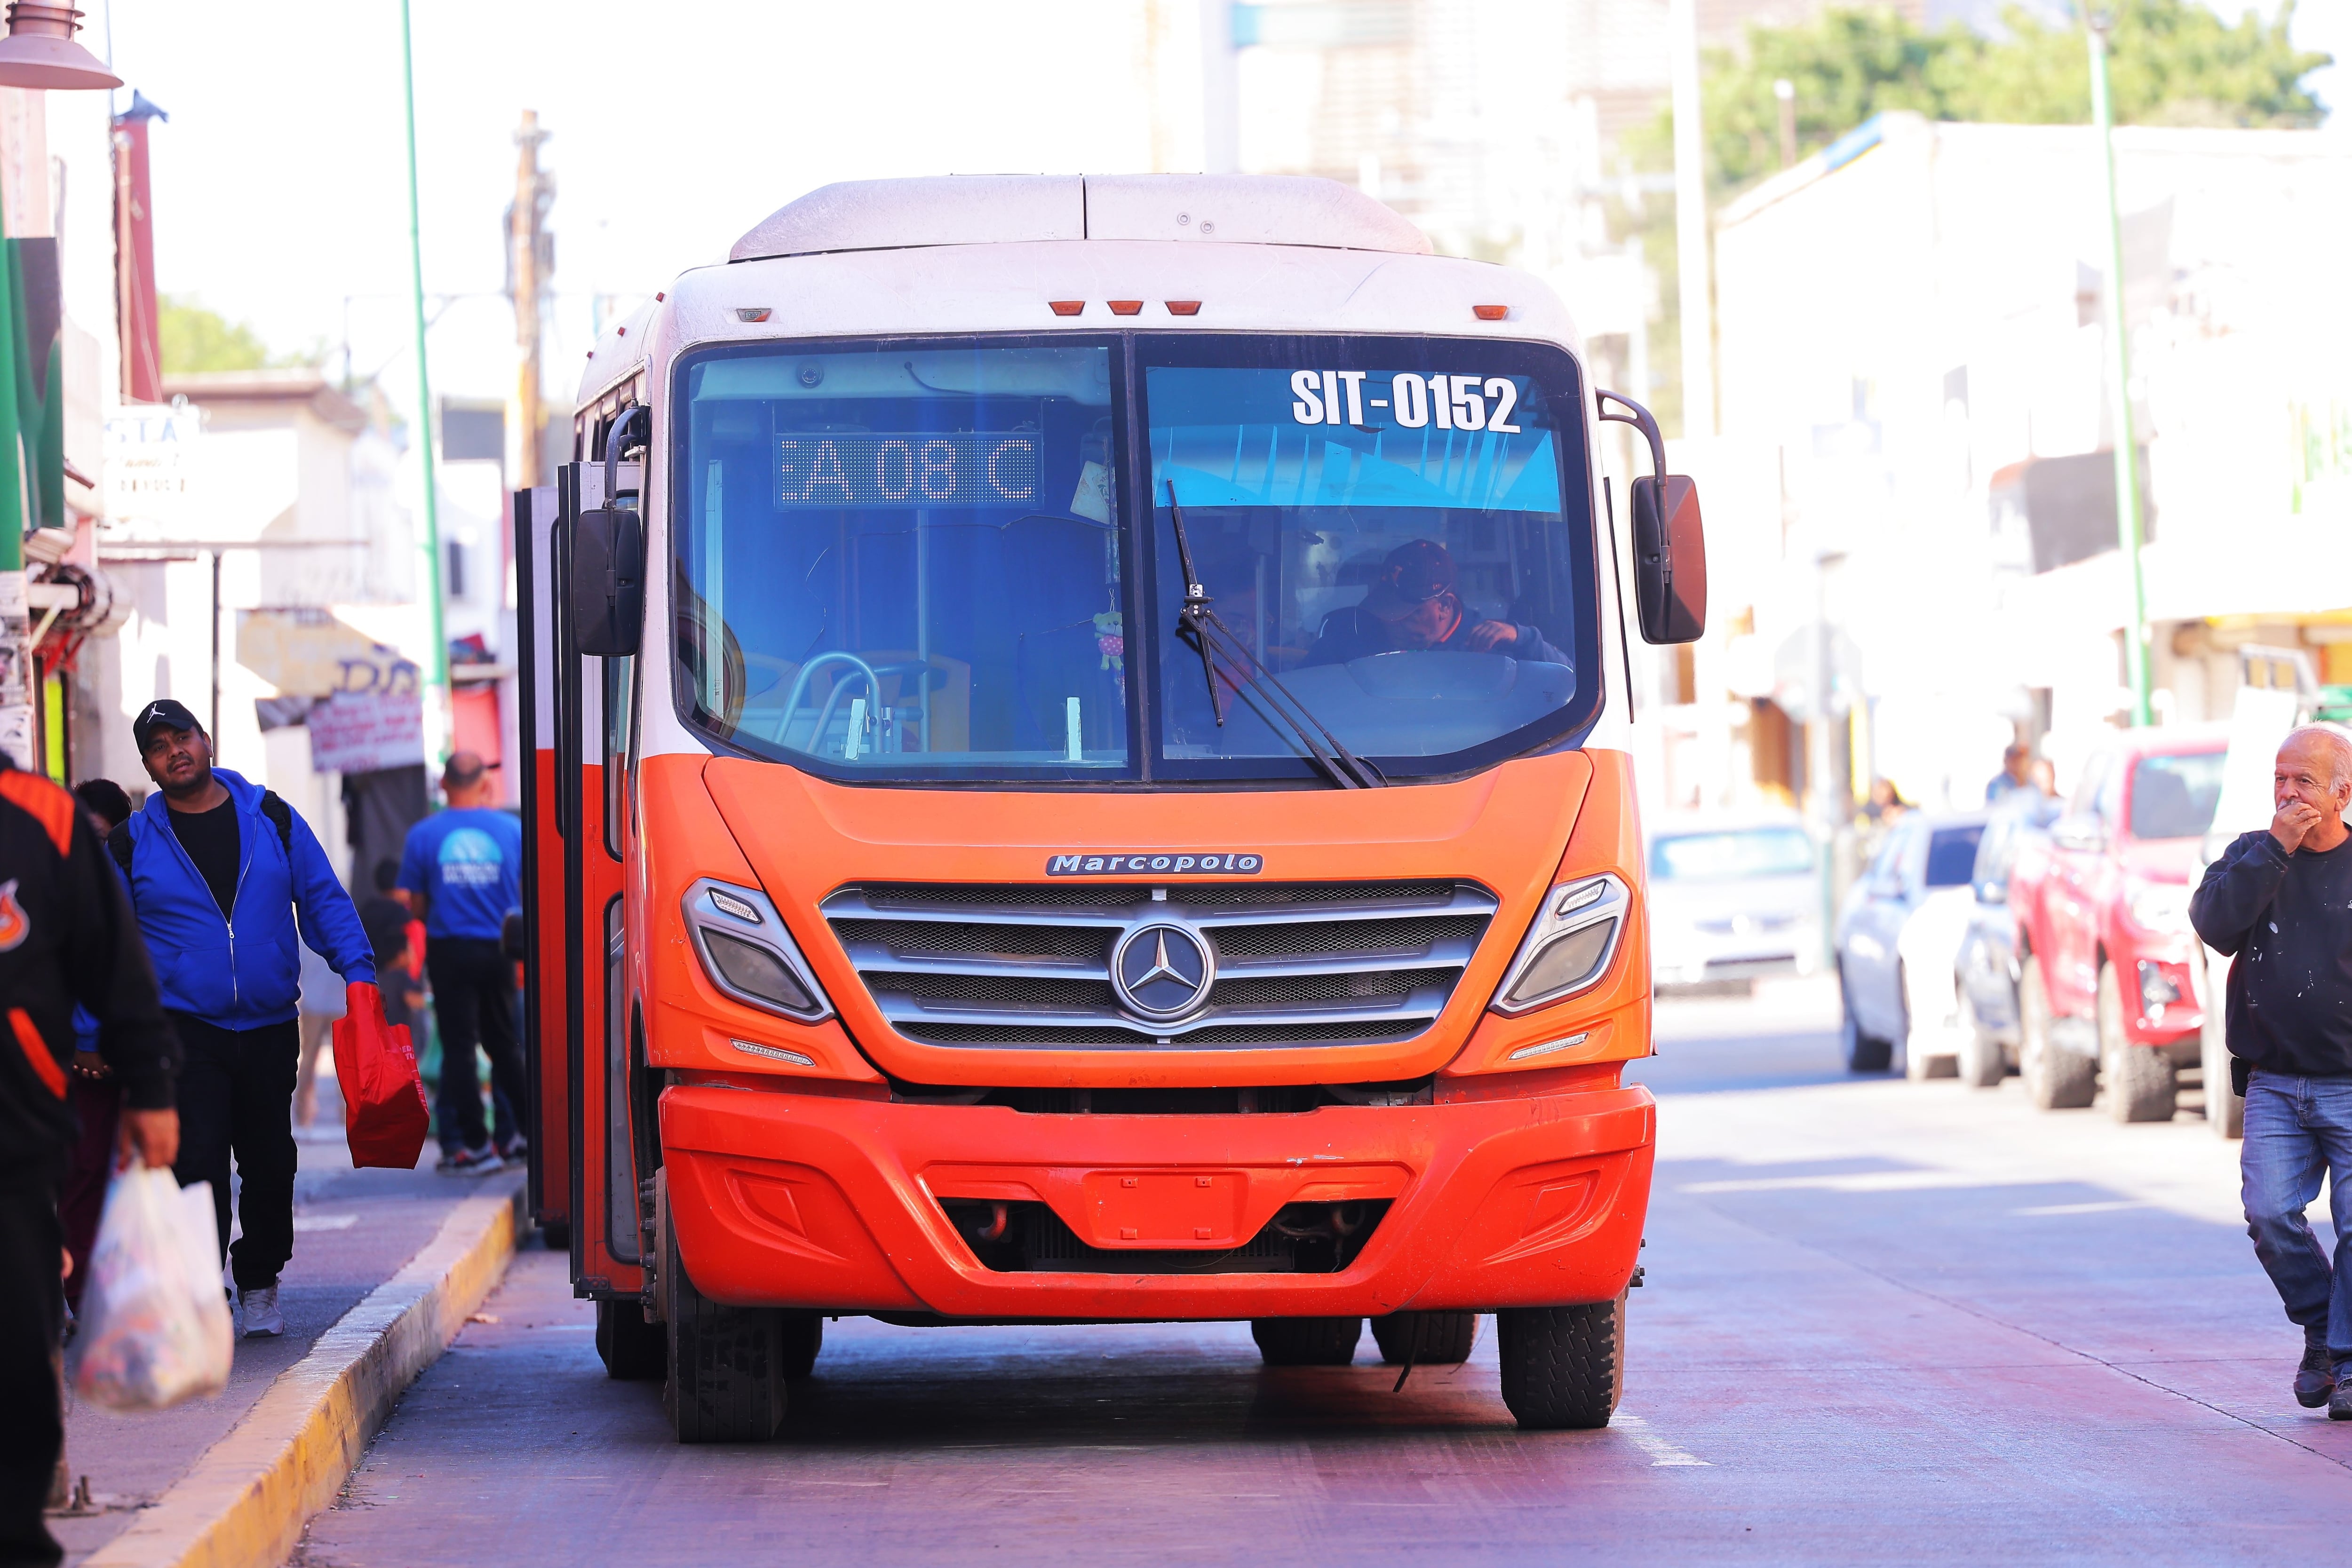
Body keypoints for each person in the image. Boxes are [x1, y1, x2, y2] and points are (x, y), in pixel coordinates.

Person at [110, 699, 376, 1340]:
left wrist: (359, 973)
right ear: (148, 764)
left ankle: (259, 1282)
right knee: (195, 1160)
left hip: (265, 1023)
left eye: (182, 737)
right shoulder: (131, 843)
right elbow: (104, 944)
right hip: (182, 1026)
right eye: (158, 746)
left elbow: (322, 899)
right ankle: (203, 1287)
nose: (173, 751)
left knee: (267, 1159)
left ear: (206, 740)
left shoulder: (273, 818)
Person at [0, 756, 180, 1568]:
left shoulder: (43, 815)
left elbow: (114, 958)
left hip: (15, 1134)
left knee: (17, 1342)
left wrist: (150, 1084)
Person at [2189, 723, 2352, 1420]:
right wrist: (2276, 849)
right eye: (2281, 780)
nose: (2289, 793)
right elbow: (2215, 924)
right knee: (2269, 1214)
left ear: (2343, 792)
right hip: (2277, 1082)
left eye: (2305, 782)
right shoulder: (2251, 857)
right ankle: (2323, 1326)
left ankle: (2344, 1365)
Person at [397, 752, 526, 1175]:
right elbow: (527, 893)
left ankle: (473, 1146)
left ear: (445, 786)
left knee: (459, 1048)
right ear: (484, 785)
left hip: (449, 949)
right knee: (504, 1043)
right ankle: (526, 1134)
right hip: (501, 949)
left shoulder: (423, 835)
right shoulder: (513, 830)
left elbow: (415, 904)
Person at [60, 779, 135, 1314]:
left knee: (108, 1171)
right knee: (85, 1173)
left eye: (103, 836)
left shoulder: (118, 870)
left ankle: (99, 1293)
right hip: (75, 1051)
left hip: (113, 1049)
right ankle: (84, 1295)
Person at [1306, 540, 1568, 666]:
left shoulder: (1492, 646)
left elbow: (1571, 684)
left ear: (1445, 605)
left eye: (1407, 614)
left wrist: (1523, 639)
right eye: (1386, 610)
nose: (1390, 623)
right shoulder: (1356, 634)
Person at [1985, 743, 2038, 807]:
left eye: (2021, 760)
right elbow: (1994, 808)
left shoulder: (2031, 783)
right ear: (2006, 761)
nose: (2019, 764)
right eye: (2014, 760)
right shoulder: (1997, 784)